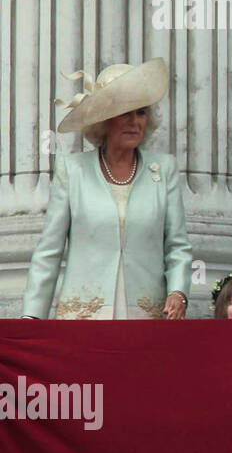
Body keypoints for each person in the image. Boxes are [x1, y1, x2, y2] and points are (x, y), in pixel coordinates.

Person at [22, 58, 192, 320]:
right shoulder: (72, 170)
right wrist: (32, 317)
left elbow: (177, 246)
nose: (134, 122)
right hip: (83, 319)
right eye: (125, 112)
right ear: (104, 119)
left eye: (141, 112)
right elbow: (49, 251)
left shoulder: (164, 169)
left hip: (147, 318)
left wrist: (178, 291)